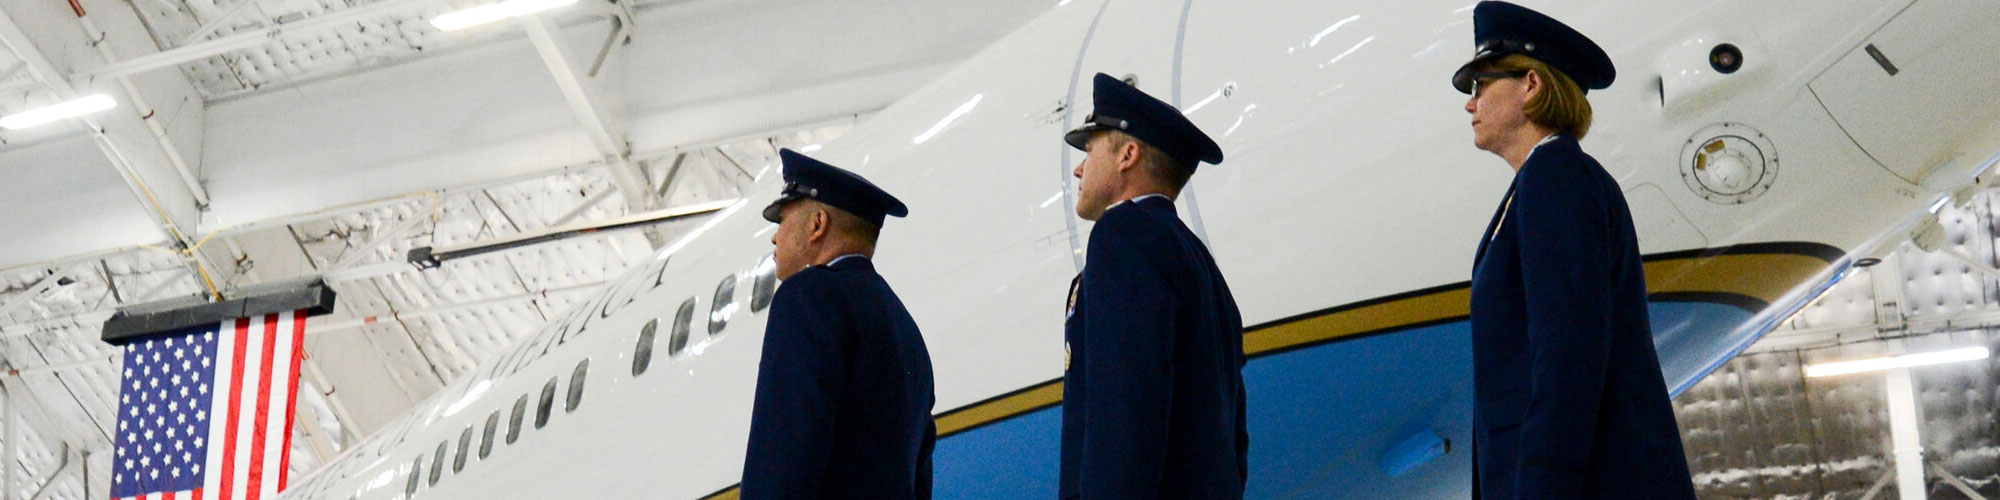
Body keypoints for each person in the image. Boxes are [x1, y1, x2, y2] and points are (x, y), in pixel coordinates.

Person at [1455, 2, 1698, 499]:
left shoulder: (1556, 178)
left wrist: (1546, 483)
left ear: (1531, 84)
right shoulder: (1539, 184)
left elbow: (1569, 347)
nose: (1469, 103)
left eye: (1480, 85)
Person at [1058, 73, 1246, 499]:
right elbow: (1234, 433)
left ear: (1127, 154)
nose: (1079, 167)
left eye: (1090, 149)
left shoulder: (1121, 237)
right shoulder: (1201, 265)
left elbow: (1124, 414)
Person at [740, 149, 935, 500]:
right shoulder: (907, 331)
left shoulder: (807, 297)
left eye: (783, 221)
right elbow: (920, 477)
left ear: (817, 224)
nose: (775, 237)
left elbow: (784, 454)